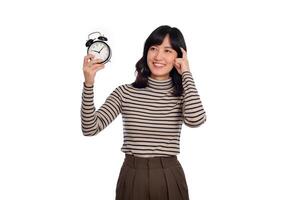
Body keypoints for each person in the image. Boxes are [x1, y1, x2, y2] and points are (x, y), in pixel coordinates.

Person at [81, 25, 207, 200]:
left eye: (168, 50)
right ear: (146, 52)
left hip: (169, 175)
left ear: (179, 56)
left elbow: (196, 120)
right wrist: (88, 83)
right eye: (153, 48)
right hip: (132, 176)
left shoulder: (183, 94)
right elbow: (90, 128)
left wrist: (186, 72)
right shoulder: (125, 92)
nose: (158, 56)